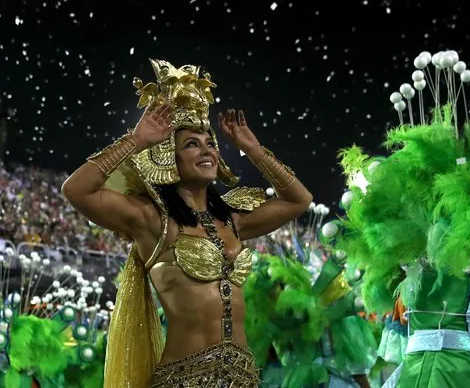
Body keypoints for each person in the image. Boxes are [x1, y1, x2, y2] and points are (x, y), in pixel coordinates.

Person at [61, 59, 312, 387]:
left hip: (243, 378)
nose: (207, 150)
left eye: (210, 143)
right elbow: (76, 190)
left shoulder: (234, 221)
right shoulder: (153, 221)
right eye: (192, 144)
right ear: (169, 156)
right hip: (184, 379)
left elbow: (299, 200)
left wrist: (253, 150)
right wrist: (136, 141)